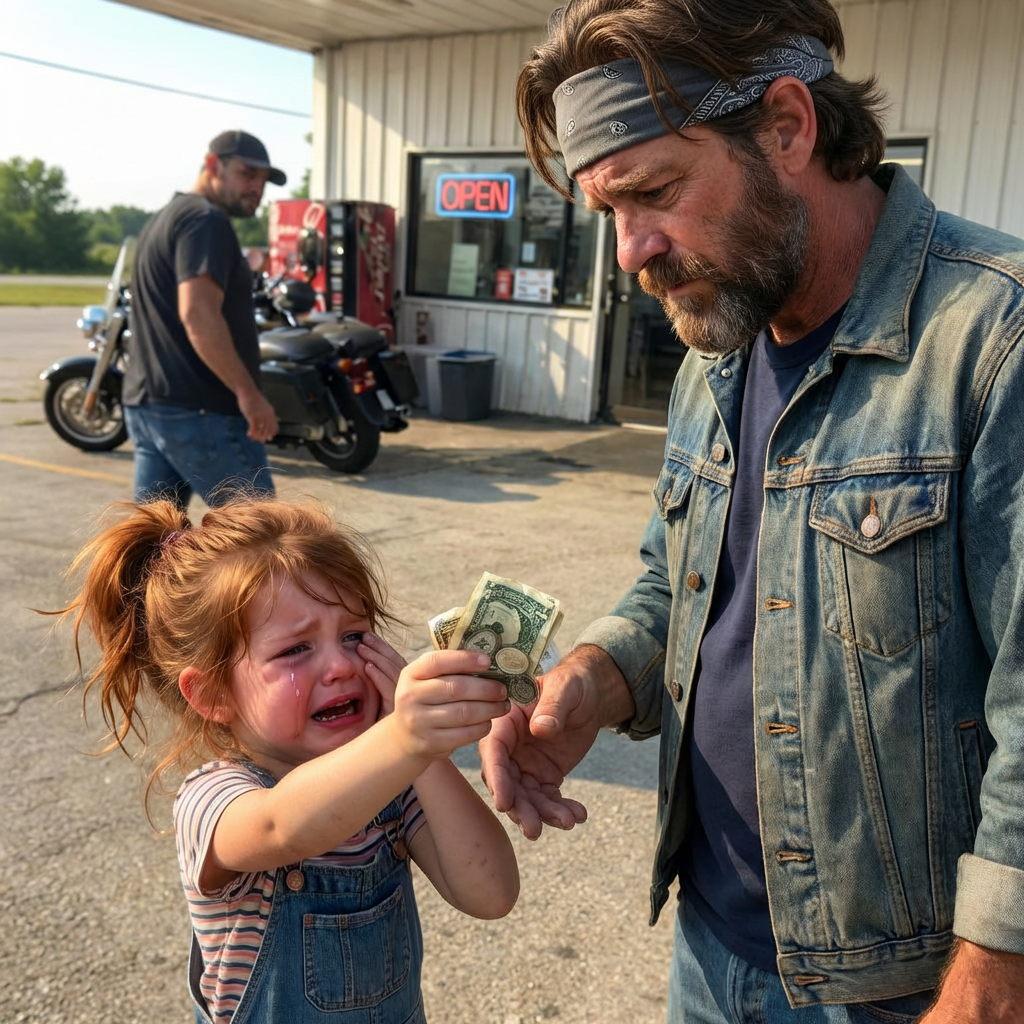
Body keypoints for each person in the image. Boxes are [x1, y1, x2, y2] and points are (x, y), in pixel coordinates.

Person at [481, 1, 1024, 1022]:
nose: (631, 251)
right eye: (608, 213)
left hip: (909, 988)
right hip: (713, 942)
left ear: (785, 125)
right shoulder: (717, 342)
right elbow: (677, 583)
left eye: (653, 192)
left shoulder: (994, 340)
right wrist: (590, 684)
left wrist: (994, 979)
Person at [65, 497, 519, 1024]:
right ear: (212, 694)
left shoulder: (397, 784)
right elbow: (283, 825)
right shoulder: (214, 797)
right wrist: (403, 740)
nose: (341, 665)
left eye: (354, 635)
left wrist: (428, 757)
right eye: (295, 650)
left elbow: (492, 893)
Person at [123, 130, 284, 510]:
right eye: (247, 174)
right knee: (263, 544)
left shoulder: (165, 218)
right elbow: (197, 314)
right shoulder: (205, 220)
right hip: (201, 411)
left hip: (153, 405)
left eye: (262, 181)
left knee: (152, 546)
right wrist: (249, 395)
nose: (256, 188)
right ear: (213, 165)